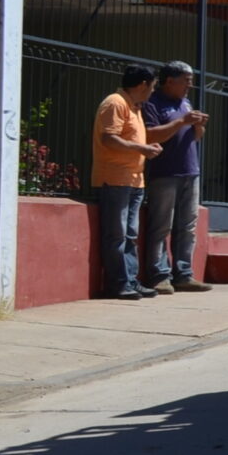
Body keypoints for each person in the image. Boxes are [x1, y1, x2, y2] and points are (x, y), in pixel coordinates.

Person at [140, 61, 213, 292]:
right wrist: (183, 121)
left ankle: (183, 274)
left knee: (187, 226)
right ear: (169, 81)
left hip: (190, 172)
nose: (190, 86)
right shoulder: (152, 103)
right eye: (186, 81)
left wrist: (199, 125)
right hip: (164, 173)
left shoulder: (185, 102)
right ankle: (159, 275)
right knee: (162, 225)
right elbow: (150, 135)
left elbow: (196, 137)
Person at [91, 65, 162, 300]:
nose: (152, 91)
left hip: (134, 180)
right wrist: (142, 148)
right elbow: (109, 139)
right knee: (117, 234)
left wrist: (144, 149)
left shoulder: (134, 107)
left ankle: (130, 280)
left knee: (130, 235)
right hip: (115, 178)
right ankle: (119, 283)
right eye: (152, 87)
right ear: (142, 85)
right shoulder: (115, 103)